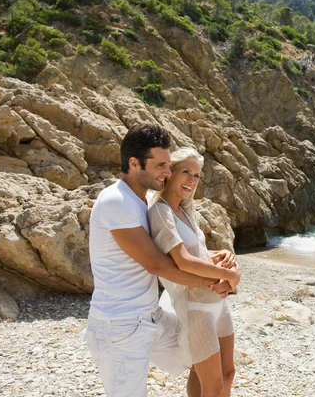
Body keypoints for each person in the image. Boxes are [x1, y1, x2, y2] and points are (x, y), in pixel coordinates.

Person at [84, 123, 237, 397]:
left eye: (169, 165)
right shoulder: (116, 201)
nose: (168, 172)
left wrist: (217, 259)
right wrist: (218, 280)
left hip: (151, 318)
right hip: (118, 325)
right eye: (161, 165)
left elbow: (173, 248)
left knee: (198, 359)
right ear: (134, 163)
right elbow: (158, 264)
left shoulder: (139, 202)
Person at [149, 147, 239, 397]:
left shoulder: (185, 210)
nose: (191, 180)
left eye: (197, 175)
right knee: (213, 385)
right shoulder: (161, 211)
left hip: (218, 303)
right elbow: (183, 259)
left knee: (227, 374)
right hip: (196, 308)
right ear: (169, 173)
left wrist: (222, 256)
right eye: (186, 172)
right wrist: (230, 277)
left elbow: (196, 251)